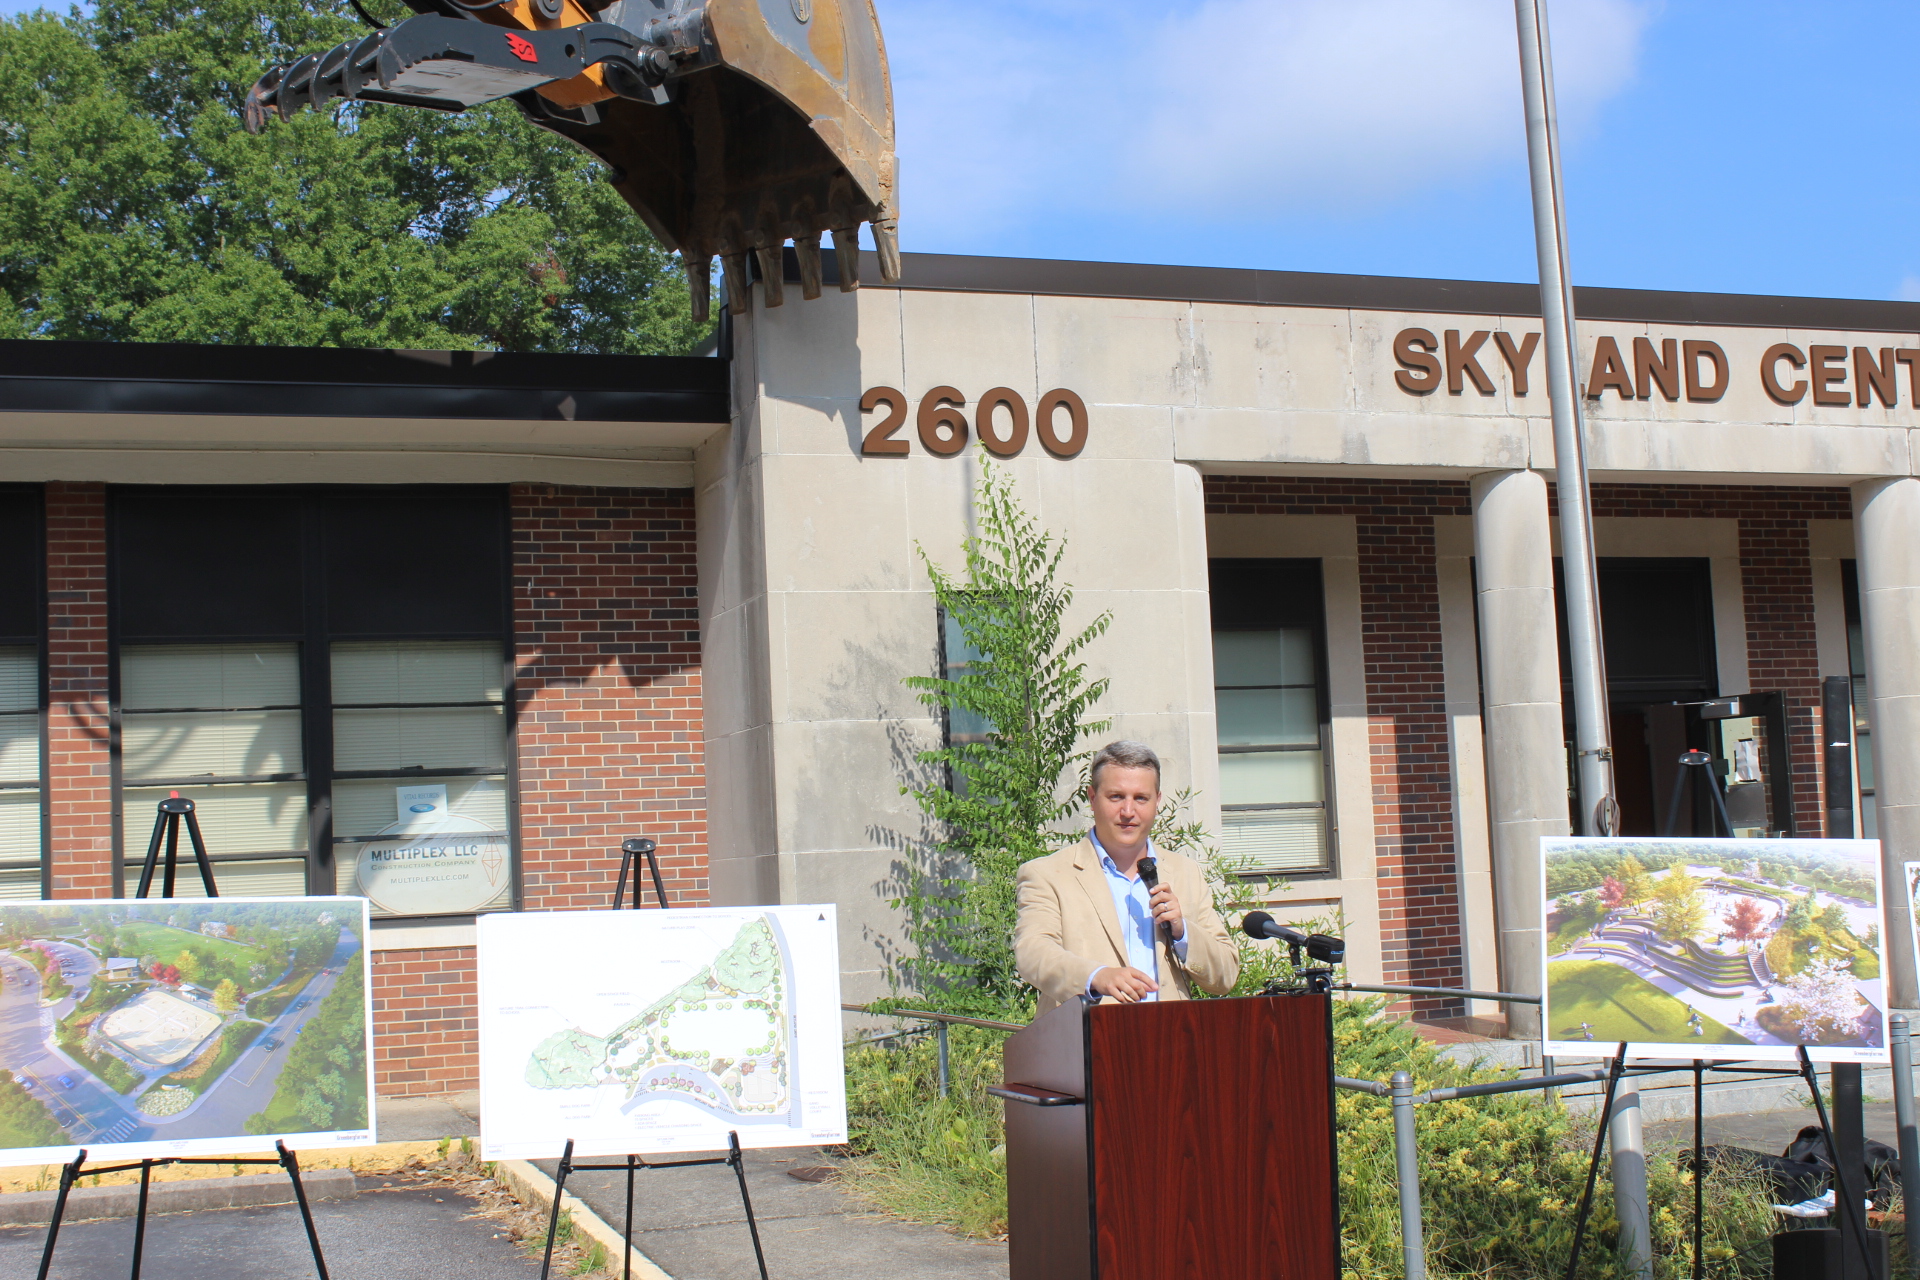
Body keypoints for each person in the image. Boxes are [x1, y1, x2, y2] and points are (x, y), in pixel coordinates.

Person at [1014, 740, 1239, 1015]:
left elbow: (1226, 975)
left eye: (1141, 798)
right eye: (1116, 797)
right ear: (1092, 798)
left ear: (1157, 801)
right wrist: (1096, 976)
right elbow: (1032, 953)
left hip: (1171, 1036)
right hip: (1088, 1036)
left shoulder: (1185, 873)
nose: (1128, 812)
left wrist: (1183, 933)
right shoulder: (1047, 873)